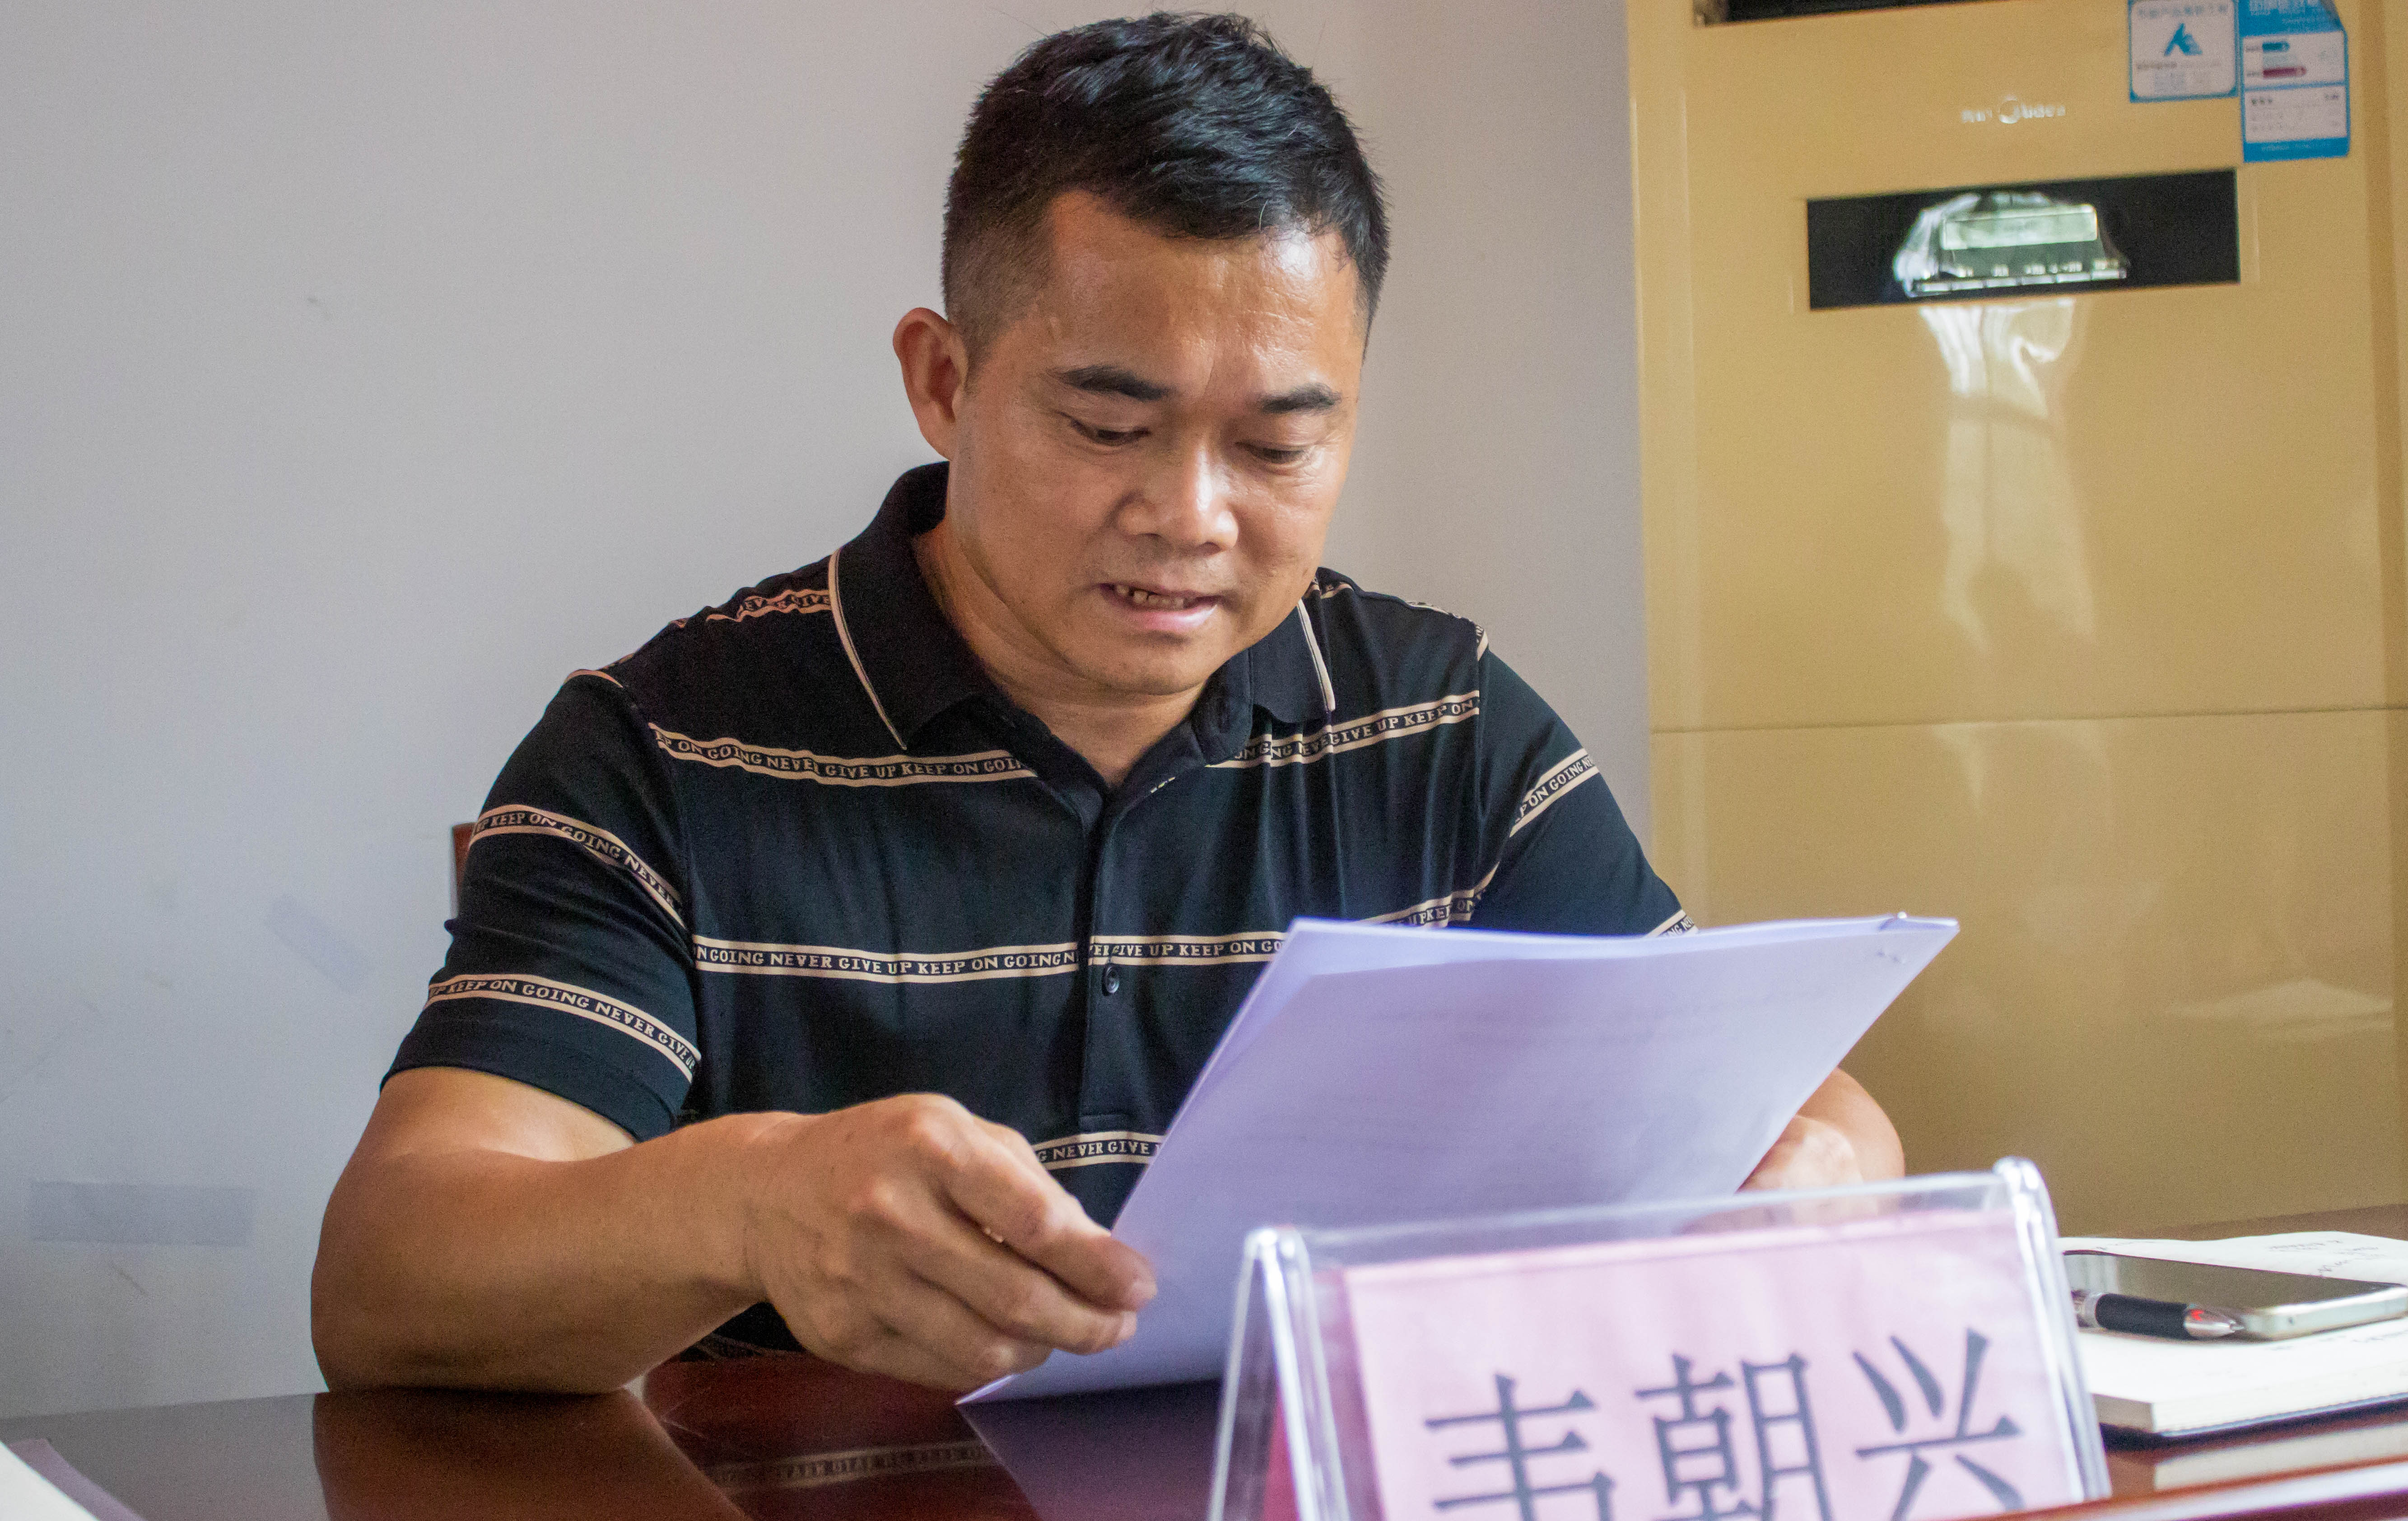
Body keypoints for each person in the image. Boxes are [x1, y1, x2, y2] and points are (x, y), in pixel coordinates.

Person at [311, 12, 1903, 1397]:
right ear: (944, 382)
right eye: (1108, 426)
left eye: (1278, 447)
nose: (1191, 517)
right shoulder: (666, 753)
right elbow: (390, 1284)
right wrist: (748, 1198)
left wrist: (1818, 1177)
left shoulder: (1443, 731)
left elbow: (1798, 1109)